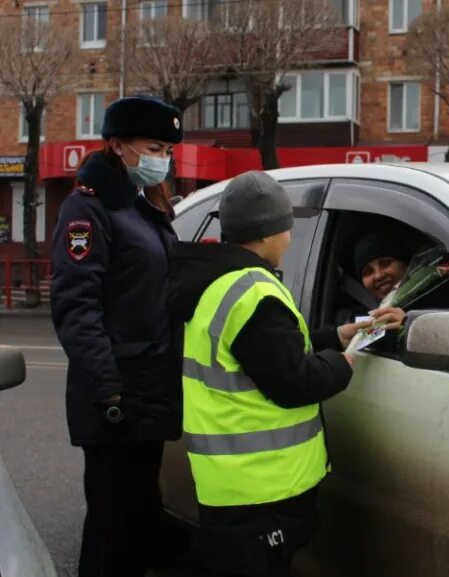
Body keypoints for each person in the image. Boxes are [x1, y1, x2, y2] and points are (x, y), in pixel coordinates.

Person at [169, 171, 370, 577]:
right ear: (266, 234)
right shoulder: (254, 293)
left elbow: (264, 352)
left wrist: (336, 333)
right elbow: (293, 381)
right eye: (286, 228)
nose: (290, 239)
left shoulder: (219, 284)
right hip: (263, 488)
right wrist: (343, 361)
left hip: (232, 483)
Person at [50, 96, 185, 577]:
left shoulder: (145, 206)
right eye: (153, 146)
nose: (161, 158)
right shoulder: (88, 211)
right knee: (112, 529)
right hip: (117, 397)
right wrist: (109, 388)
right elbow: (75, 306)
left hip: (149, 389)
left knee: (139, 521)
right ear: (116, 145)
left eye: (168, 148)